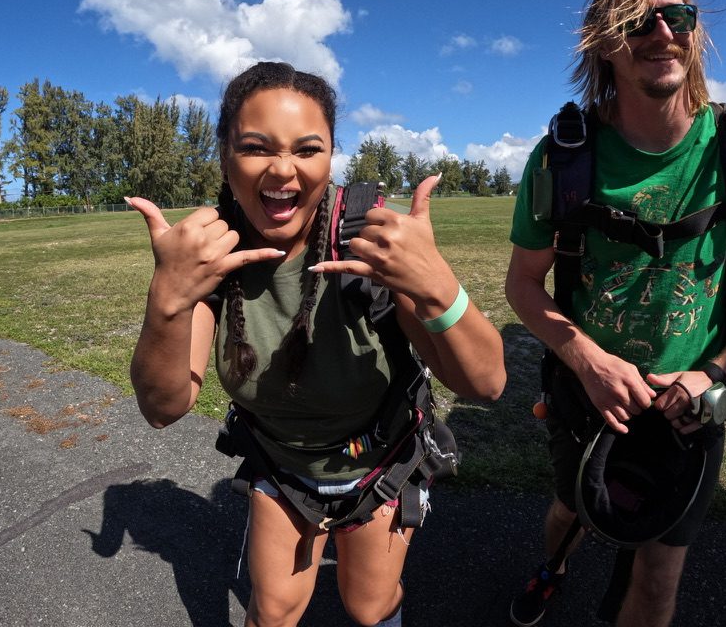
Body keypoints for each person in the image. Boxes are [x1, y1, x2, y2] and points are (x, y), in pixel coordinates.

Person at [127, 61, 506, 627]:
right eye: (256, 147)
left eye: (307, 149)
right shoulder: (212, 254)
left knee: (369, 604)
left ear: (330, 157)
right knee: (272, 611)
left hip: (380, 464)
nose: (283, 171)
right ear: (225, 155)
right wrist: (168, 301)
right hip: (281, 466)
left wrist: (437, 289)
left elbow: (487, 382)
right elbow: (163, 408)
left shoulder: (368, 241)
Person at [505, 0, 726, 627]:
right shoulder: (563, 159)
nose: (662, 33)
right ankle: (552, 570)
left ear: (695, 34)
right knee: (570, 512)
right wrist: (590, 362)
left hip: (688, 408)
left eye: (678, 17)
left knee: (660, 579)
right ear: (603, 44)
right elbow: (522, 284)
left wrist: (712, 376)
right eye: (638, 22)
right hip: (588, 396)